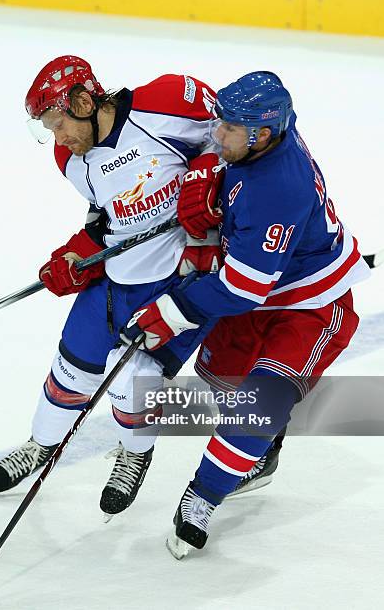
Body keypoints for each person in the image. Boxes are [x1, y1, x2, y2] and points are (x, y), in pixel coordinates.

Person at [122, 71, 371, 557]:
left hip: (308, 305)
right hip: (257, 286)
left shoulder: (278, 188)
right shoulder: (269, 129)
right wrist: (209, 169)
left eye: (229, 130)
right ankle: (262, 445)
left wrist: (174, 311)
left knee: (259, 404)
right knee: (218, 375)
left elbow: (242, 286)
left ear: (261, 135)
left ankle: (204, 496)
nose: (218, 135)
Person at [0, 56, 224, 519]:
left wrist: (207, 174)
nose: (59, 140)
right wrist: (75, 257)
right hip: (118, 278)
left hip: (183, 277)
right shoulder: (70, 158)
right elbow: (105, 217)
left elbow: (233, 140)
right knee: (71, 368)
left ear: (83, 100)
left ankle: (134, 453)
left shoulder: (169, 100)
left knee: (134, 381)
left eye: (59, 125)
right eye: (49, 130)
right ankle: (41, 445)